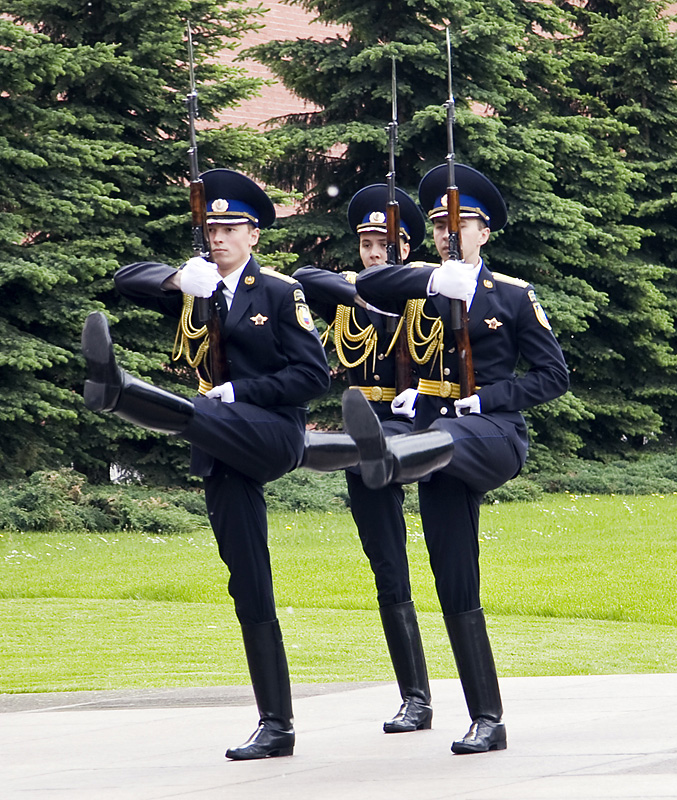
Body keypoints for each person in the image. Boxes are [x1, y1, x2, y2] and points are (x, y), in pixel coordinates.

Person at [81, 169, 330, 761]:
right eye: (210, 228)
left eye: (229, 229)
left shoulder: (278, 290)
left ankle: (120, 389)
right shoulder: (196, 285)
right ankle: (276, 724)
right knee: (248, 584)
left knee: (196, 408)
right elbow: (123, 280)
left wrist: (240, 395)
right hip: (220, 450)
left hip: (271, 432)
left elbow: (313, 377)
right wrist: (176, 278)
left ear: (254, 236)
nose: (217, 238)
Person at [343, 163, 570, 754]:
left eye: (459, 224)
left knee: (440, 440)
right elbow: (368, 287)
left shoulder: (513, 296)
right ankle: (486, 718)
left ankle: (387, 455)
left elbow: (553, 375)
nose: (448, 233)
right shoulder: (425, 286)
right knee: (454, 577)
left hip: (491, 434)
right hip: (436, 450)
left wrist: (487, 396)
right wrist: (430, 281)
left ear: (484, 232)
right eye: (441, 224)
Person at [293, 185, 451, 734]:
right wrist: (359, 291)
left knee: (448, 567)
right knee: (389, 570)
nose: (374, 252)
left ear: (405, 247)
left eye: (384, 244)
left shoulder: (431, 292)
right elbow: (302, 278)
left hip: (424, 422)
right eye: (365, 244)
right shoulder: (350, 294)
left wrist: (431, 395)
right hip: (369, 440)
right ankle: (415, 697)